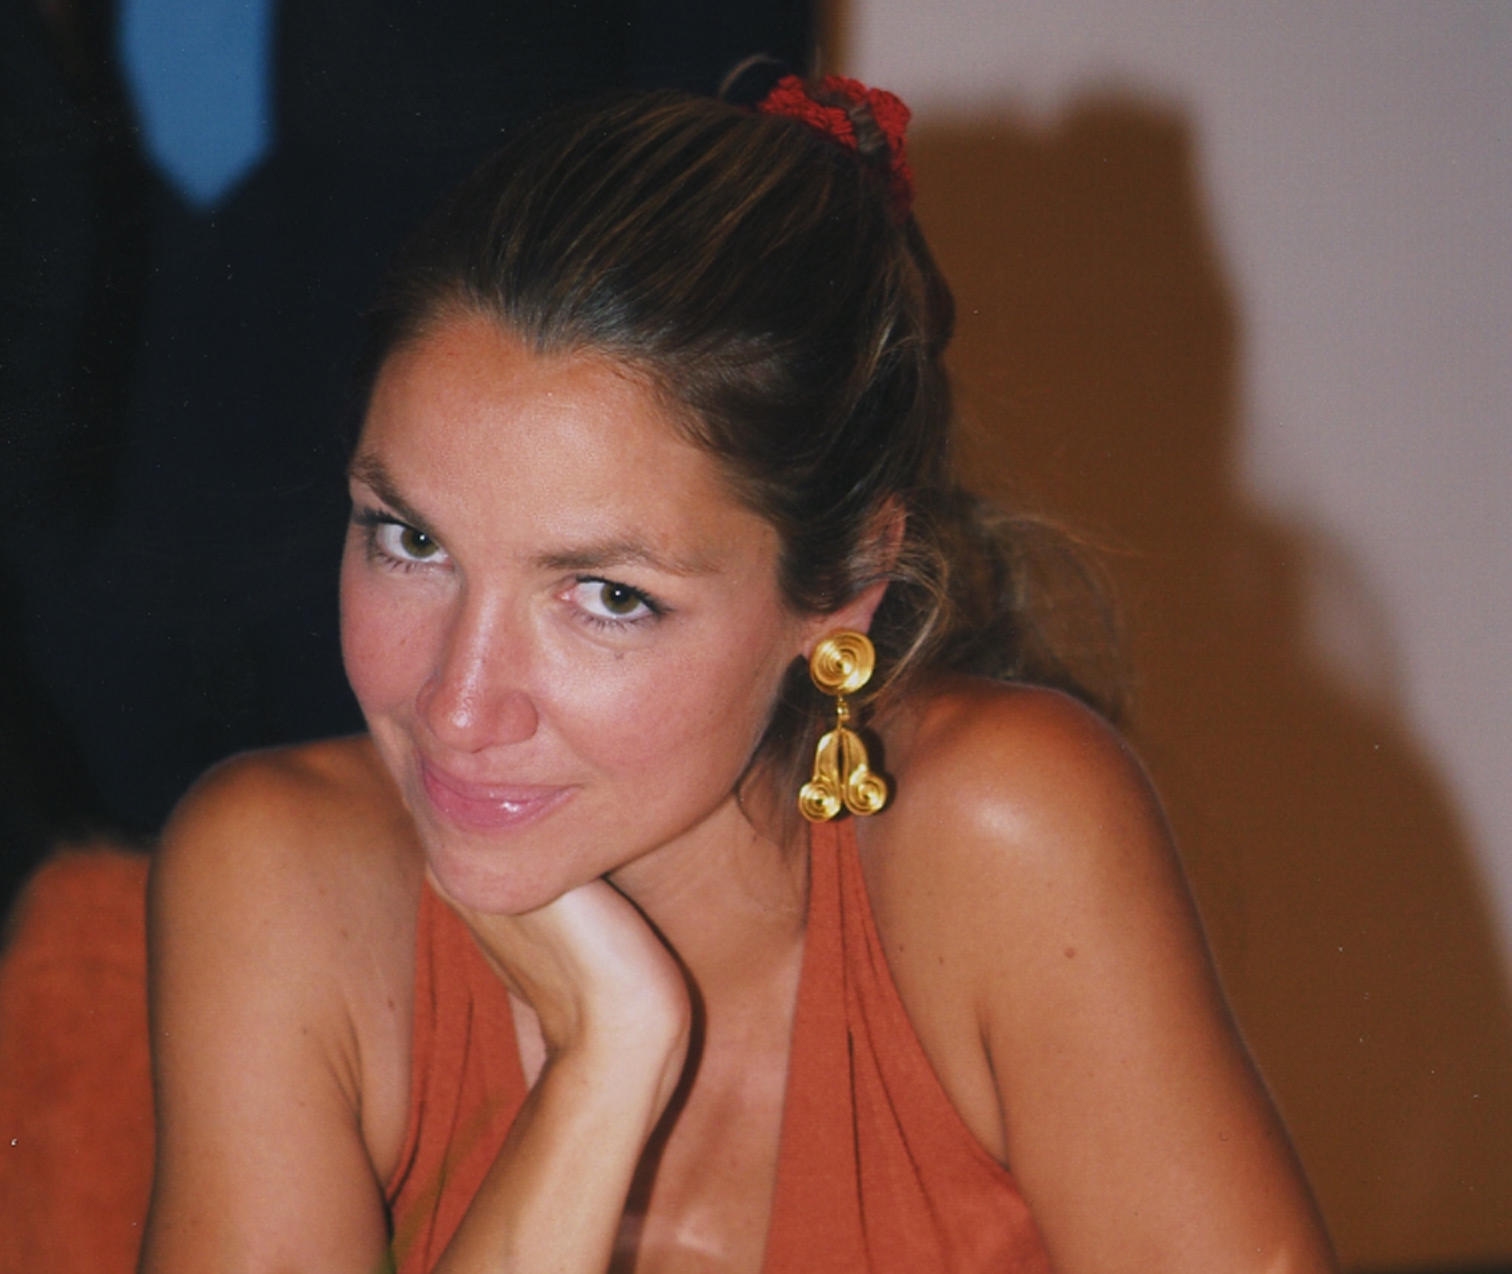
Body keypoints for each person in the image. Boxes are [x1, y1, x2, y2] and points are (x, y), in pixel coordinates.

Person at [138, 73, 1337, 1273]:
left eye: (608, 596)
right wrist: (605, 1057)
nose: (457, 705)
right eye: (411, 540)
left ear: (845, 581)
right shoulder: (283, 881)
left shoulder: (996, 833)